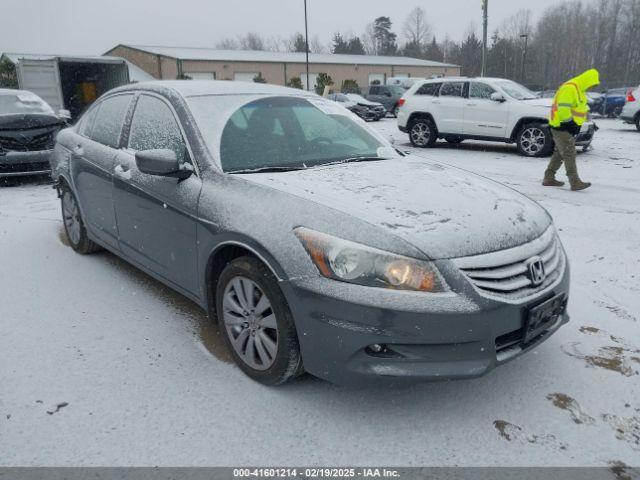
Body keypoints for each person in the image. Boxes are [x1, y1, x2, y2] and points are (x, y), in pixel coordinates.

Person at [543, 68, 600, 191]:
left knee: (559, 154)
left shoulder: (578, 89)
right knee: (569, 153)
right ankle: (574, 182)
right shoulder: (571, 88)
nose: (591, 87)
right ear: (587, 80)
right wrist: (571, 124)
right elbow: (563, 110)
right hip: (562, 126)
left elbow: (578, 109)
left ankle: (548, 178)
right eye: (591, 84)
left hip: (565, 126)